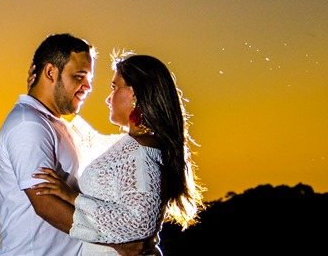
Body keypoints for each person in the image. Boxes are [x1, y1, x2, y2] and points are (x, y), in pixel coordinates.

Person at [0, 34, 154, 256]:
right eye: (79, 77)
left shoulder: (54, 124)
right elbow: (45, 204)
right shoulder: (28, 125)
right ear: (51, 72)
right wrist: (117, 246)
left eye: (89, 78)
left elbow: (118, 150)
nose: (88, 87)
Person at [31, 53, 203, 255]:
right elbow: (89, 139)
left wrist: (73, 198)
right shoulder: (131, 145)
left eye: (114, 87)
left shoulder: (142, 151)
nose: (108, 98)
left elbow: (140, 223)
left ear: (135, 93)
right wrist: (43, 94)